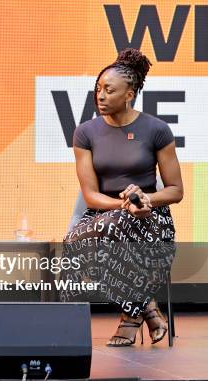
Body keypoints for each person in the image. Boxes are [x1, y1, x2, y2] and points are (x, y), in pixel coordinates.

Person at [64, 48, 183, 346]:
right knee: (76, 243)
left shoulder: (156, 130)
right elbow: (90, 196)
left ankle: (131, 318)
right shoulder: (85, 133)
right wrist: (125, 205)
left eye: (109, 90)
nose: (100, 96)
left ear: (129, 94)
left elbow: (175, 190)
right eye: (98, 89)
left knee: (114, 231)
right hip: (103, 215)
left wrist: (145, 200)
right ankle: (146, 309)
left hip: (153, 219)